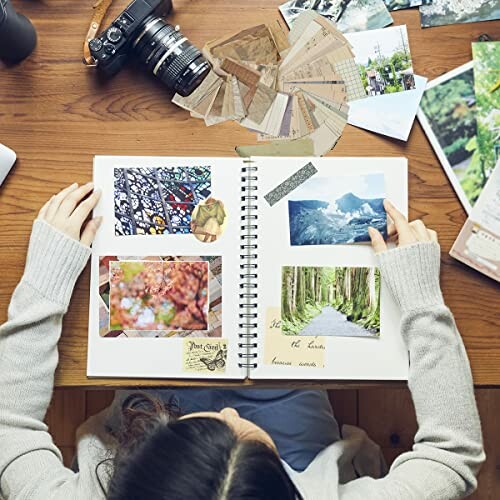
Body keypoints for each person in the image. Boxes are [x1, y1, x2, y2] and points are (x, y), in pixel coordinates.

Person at [0, 183, 485, 500]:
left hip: (149, 403)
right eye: (252, 439)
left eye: (223, 422)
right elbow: (453, 456)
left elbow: (8, 431)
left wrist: (47, 275)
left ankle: (198, 432)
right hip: (298, 440)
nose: (236, 414)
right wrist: (421, 298)